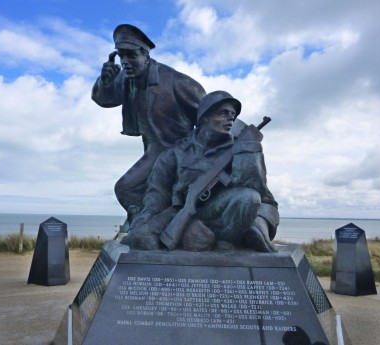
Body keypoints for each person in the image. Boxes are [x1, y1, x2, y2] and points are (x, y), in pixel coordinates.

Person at [121, 91, 279, 252]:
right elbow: (158, 192)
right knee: (142, 238)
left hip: (227, 212)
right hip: (183, 210)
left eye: (232, 114)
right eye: (224, 113)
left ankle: (226, 241)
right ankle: (195, 233)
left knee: (248, 198)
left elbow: (253, 186)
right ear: (204, 117)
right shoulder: (175, 153)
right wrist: (146, 216)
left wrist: (249, 147)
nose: (230, 118)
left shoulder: (240, 148)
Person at [92, 24, 206, 223]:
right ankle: (149, 226)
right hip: (153, 148)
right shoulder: (126, 78)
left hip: (178, 150)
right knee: (143, 192)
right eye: (121, 56)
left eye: (131, 55)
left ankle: (147, 225)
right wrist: (105, 81)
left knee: (126, 188)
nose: (125, 62)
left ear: (145, 55)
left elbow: (210, 115)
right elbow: (104, 99)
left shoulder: (176, 82)